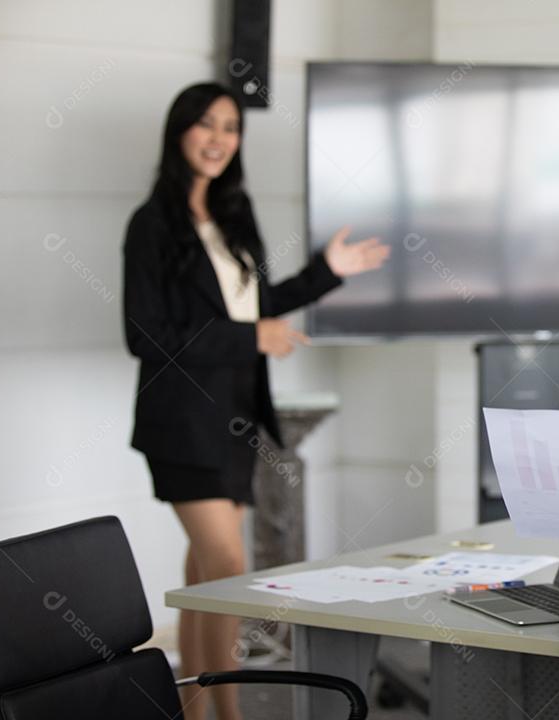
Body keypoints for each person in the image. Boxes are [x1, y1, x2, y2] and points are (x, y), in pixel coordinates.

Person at [122, 82, 389, 720]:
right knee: (228, 566)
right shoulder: (152, 224)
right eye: (206, 124)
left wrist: (327, 272)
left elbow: (256, 307)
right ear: (179, 131)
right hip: (181, 422)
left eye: (231, 127)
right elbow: (145, 335)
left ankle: (193, 712)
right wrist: (252, 337)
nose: (219, 138)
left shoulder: (234, 219)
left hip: (233, 418)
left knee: (205, 581)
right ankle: (231, 714)